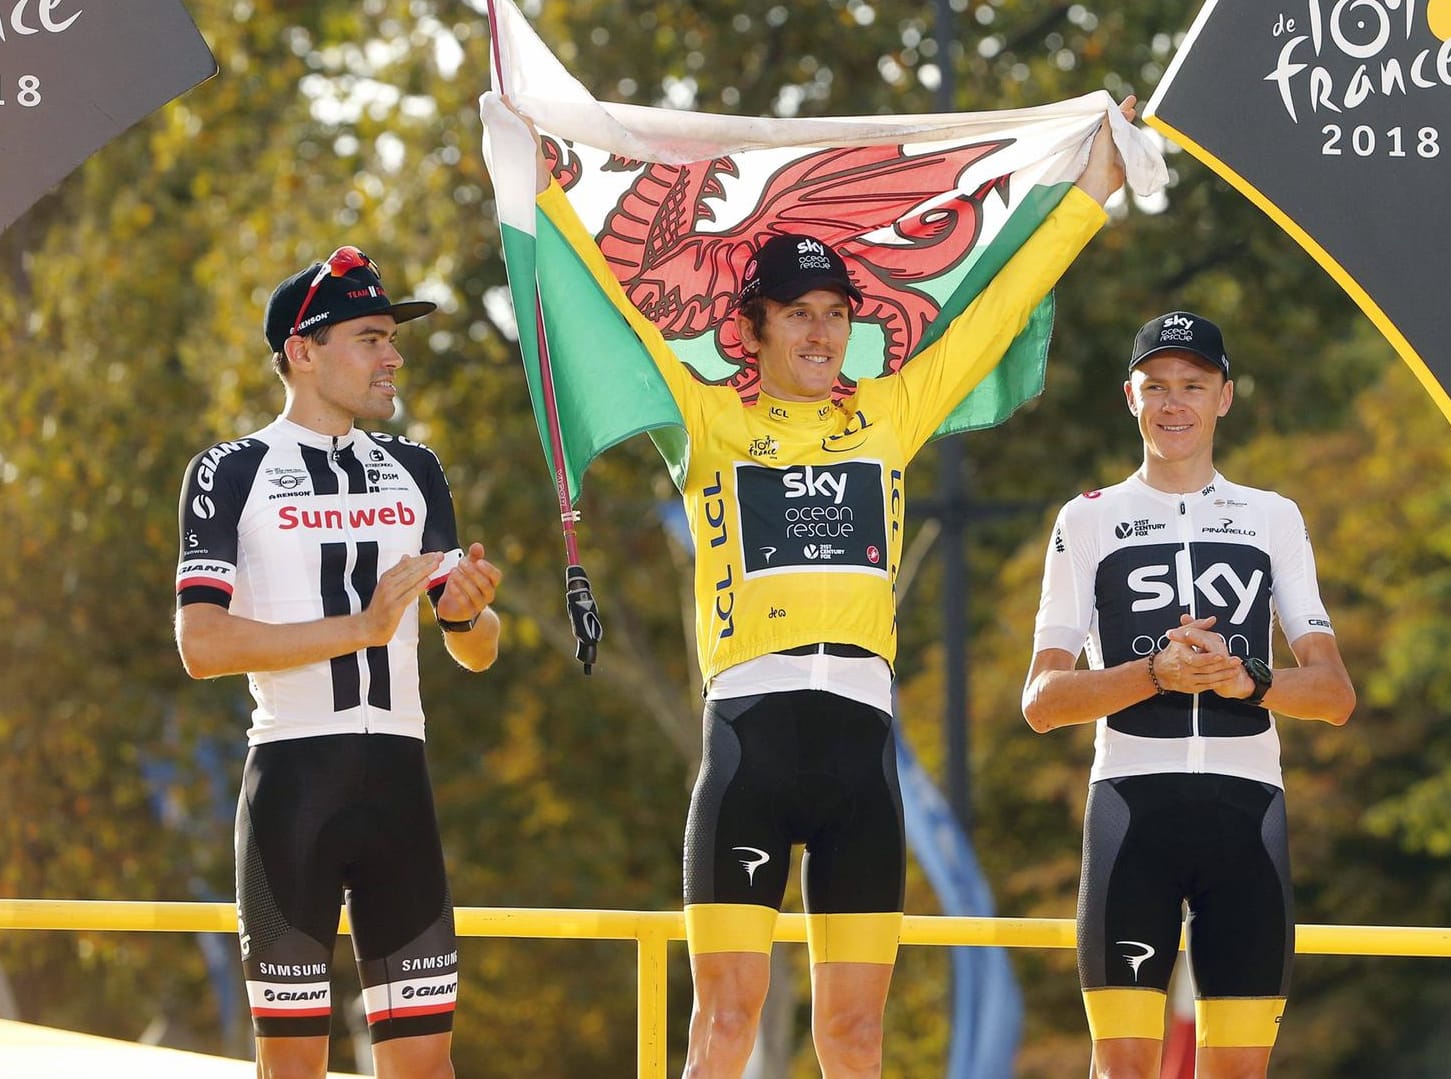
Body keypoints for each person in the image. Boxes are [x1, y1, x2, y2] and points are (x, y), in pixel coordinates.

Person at [504, 94, 1136, 1077]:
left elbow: (1004, 301)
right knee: (724, 1019)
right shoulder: (704, 418)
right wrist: (538, 181)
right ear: (751, 326)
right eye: (797, 313)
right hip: (749, 743)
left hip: (858, 754)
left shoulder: (889, 410)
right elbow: (616, 315)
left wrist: (1093, 185)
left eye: (836, 313)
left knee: (853, 1035)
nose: (820, 331)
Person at [174, 246, 503, 1079]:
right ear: (302, 350)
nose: (392, 355)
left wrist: (467, 614)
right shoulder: (230, 470)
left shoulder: (417, 467)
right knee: (292, 1068)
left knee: (427, 1065)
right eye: (370, 337)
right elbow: (201, 643)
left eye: (392, 337)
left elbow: (476, 650)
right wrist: (360, 628)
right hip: (293, 789)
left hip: (400, 783)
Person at [1022, 311, 1356, 1079]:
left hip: (1247, 814)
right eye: (1158, 386)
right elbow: (1041, 701)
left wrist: (1250, 679)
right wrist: (1152, 676)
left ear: (1225, 397)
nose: (1175, 403)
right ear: (1129, 397)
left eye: (1193, 386)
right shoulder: (1088, 518)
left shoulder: (1274, 517)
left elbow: (1335, 694)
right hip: (1131, 813)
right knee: (1126, 1069)